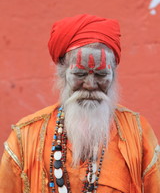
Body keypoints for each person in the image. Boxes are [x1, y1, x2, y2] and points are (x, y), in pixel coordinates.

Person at [0, 14, 160, 193]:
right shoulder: (26, 136)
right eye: (80, 75)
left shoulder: (138, 134)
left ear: (113, 75)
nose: (90, 85)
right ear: (62, 73)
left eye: (100, 75)